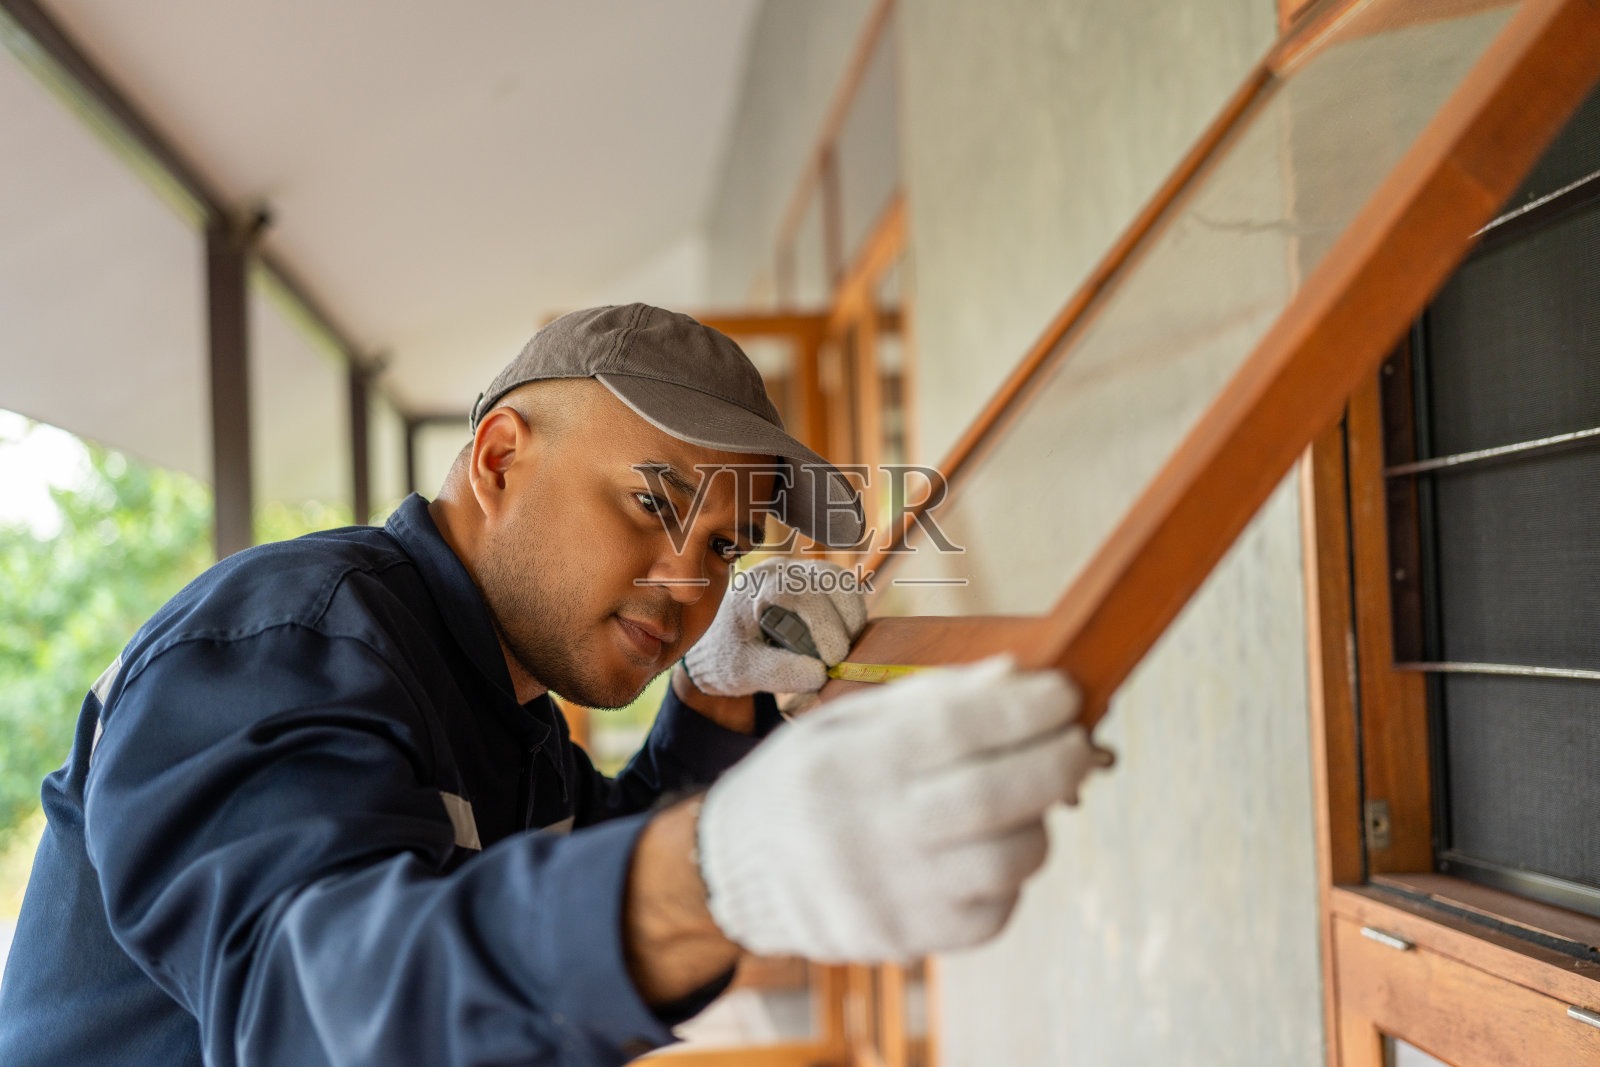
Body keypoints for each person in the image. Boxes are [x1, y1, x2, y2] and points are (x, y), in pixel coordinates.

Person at [0, 303, 1111, 1066]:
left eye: (723, 547)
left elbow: (575, 856)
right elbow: (313, 1009)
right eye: (652, 506)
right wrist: (709, 878)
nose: (687, 586)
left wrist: (718, 703)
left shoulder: (498, 695)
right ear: (497, 458)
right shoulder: (288, 642)